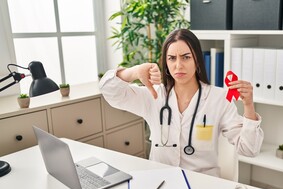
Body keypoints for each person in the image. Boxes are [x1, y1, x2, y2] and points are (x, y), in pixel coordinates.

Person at [99, 29, 263, 177]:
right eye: (172, 58)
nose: (178, 65)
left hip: (203, 185)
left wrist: (248, 105)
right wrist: (133, 72)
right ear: (166, 63)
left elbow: (249, 149)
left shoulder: (218, 99)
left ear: (197, 60)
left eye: (186, 57)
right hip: (161, 181)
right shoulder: (154, 94)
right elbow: (109, 91)